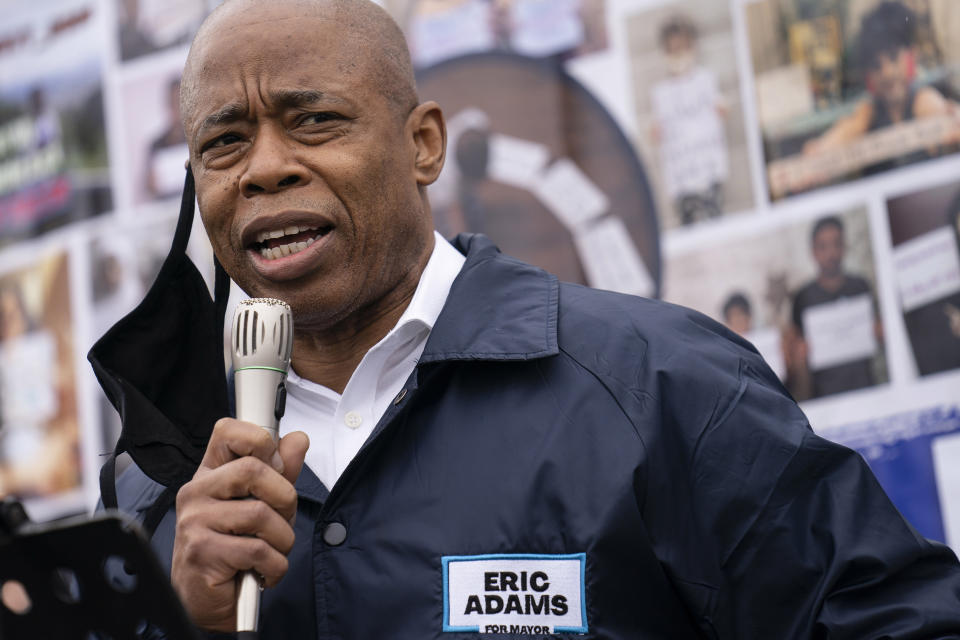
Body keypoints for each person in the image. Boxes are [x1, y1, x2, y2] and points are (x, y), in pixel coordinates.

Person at [89, 0, 960, 638]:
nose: (265, 168)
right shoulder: (153, 485)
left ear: (424, 144)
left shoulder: (659, 382)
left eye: (314, 120)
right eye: (224, 143)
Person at [802, 1, 958, 173]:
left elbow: (936, 111)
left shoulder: (922, 99)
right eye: (877, 66)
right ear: (868, 75)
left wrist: (948, 116)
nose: (887, 72)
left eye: (893, 58)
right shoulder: (868, 112)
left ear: (912, 55)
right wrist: (821, 149)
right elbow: (848, 130)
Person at [787, 216, 881, 400]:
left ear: (844, 246)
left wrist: (880, 332)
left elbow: (879, 333)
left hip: (867, 390)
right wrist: (799, 353)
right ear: (813, 252)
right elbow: (794, 356)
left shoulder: (861, 286)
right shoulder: (802, 297)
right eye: (823, 246)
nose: (831, 253)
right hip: (825, 397)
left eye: (837, 244)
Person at [649, 13, 729, 226]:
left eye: (682, 48)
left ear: (693, 47)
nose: (678, 54)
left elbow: (721, 109)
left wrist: (720, 110)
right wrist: (656, 132)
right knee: (688, 221)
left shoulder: (706, 80)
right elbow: (657, 131)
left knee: (715, 216)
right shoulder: (661, 93)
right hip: (681, 176)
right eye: (672, 50)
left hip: (707, 169)